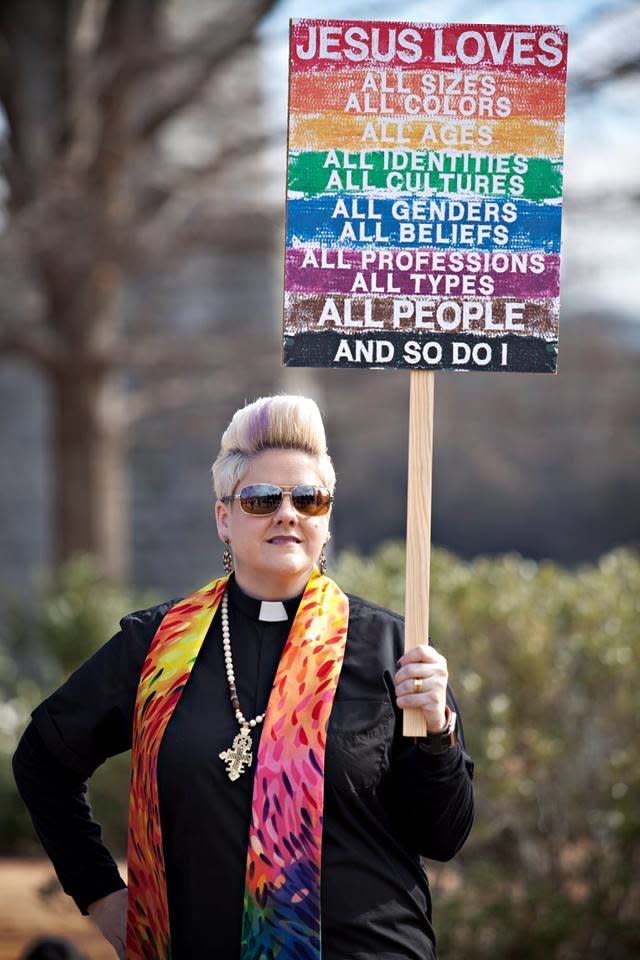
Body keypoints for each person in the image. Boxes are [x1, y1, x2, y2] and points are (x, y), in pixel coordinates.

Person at [13, 394, 475, 960]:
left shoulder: (394, 649)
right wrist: (102, 894)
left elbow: (444, 836)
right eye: (261, 499)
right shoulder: (155, 645)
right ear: (223, 519)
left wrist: (438, 731)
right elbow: (43, 758)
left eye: (308, 498)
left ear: (326, 520)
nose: (288, 513)